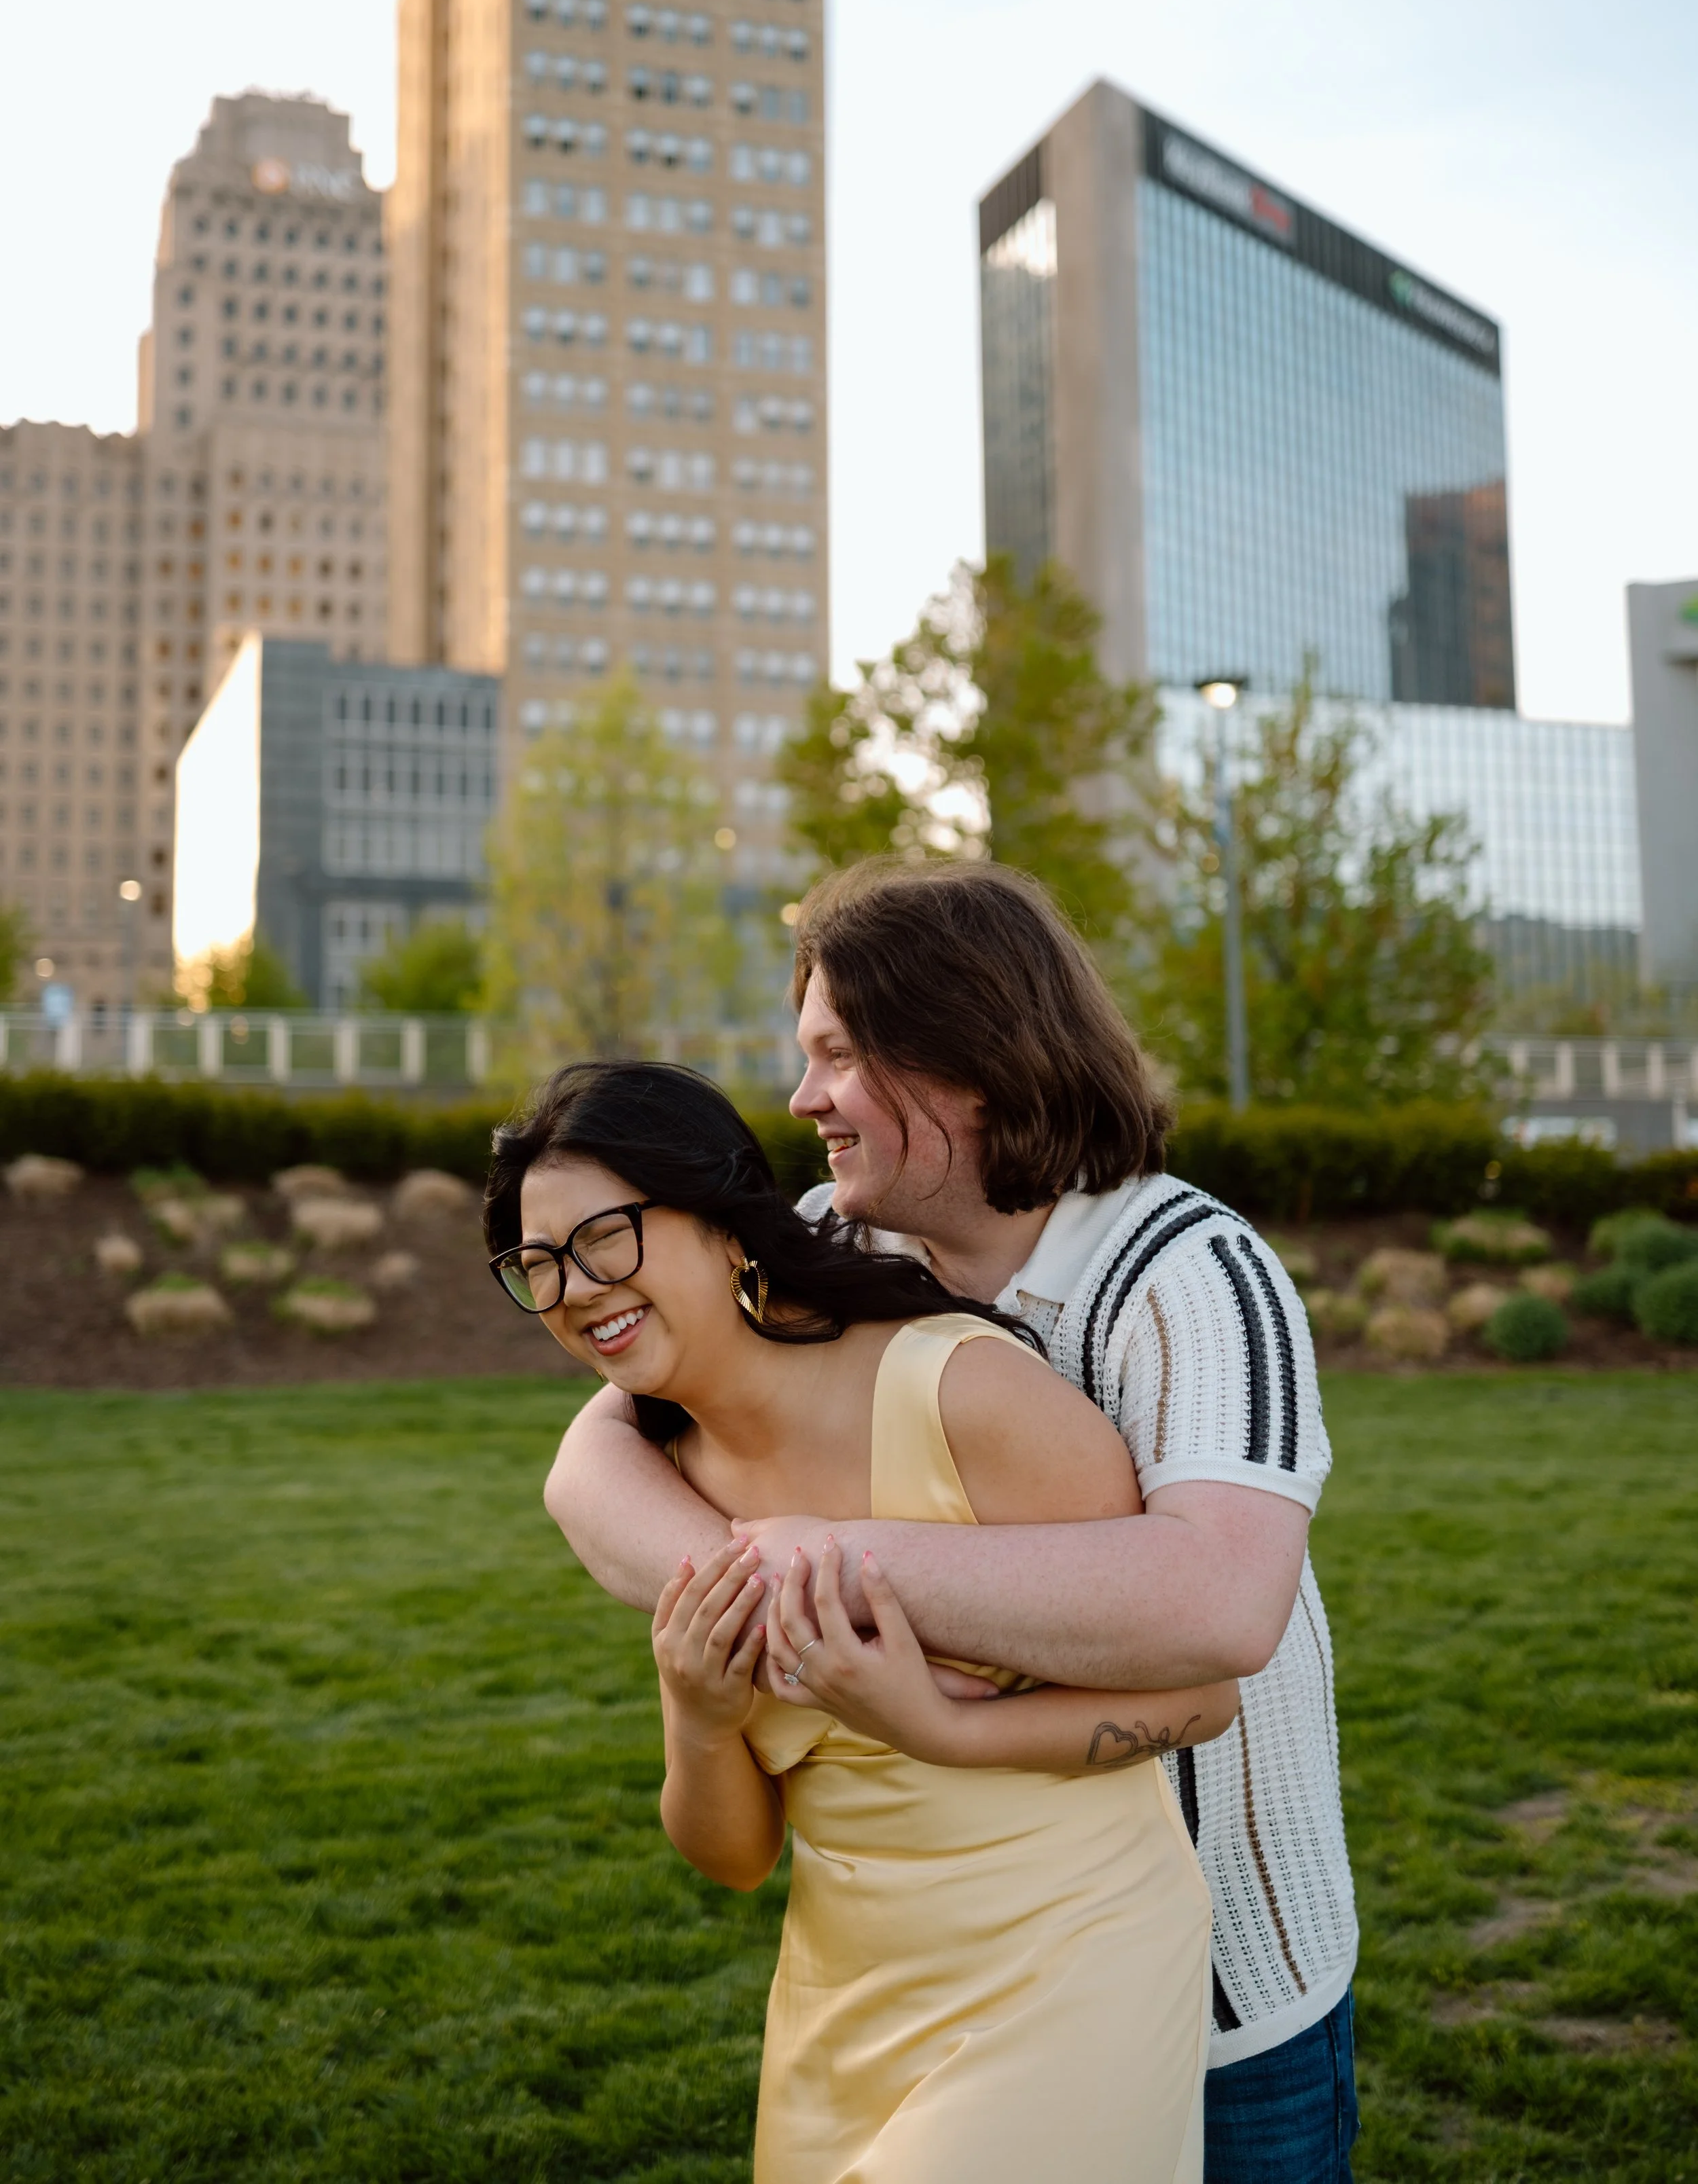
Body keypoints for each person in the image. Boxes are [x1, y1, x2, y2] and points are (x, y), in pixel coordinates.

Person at [548, 860, 1361, 2184]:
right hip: (931, 1979)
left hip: (1222, 1987)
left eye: (837, 1056)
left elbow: (1218, 1606)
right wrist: (764, 1597)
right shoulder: (828, 1250)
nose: (803, 1098)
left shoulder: (1193, 1274)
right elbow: (590, 1463)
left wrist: (846, 1567)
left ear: (968, 1062)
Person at [488, 1058, 1237, 2184]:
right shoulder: (669, 1482)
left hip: (1073, 1960)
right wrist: (696, 1711)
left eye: (606, 1237)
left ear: (724, 1217)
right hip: (843, 2002)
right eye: (536, 1265)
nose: (578, 1288)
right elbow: (737, 1857)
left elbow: (1202, 1693)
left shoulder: (961, 1391)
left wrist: (941, 1724)